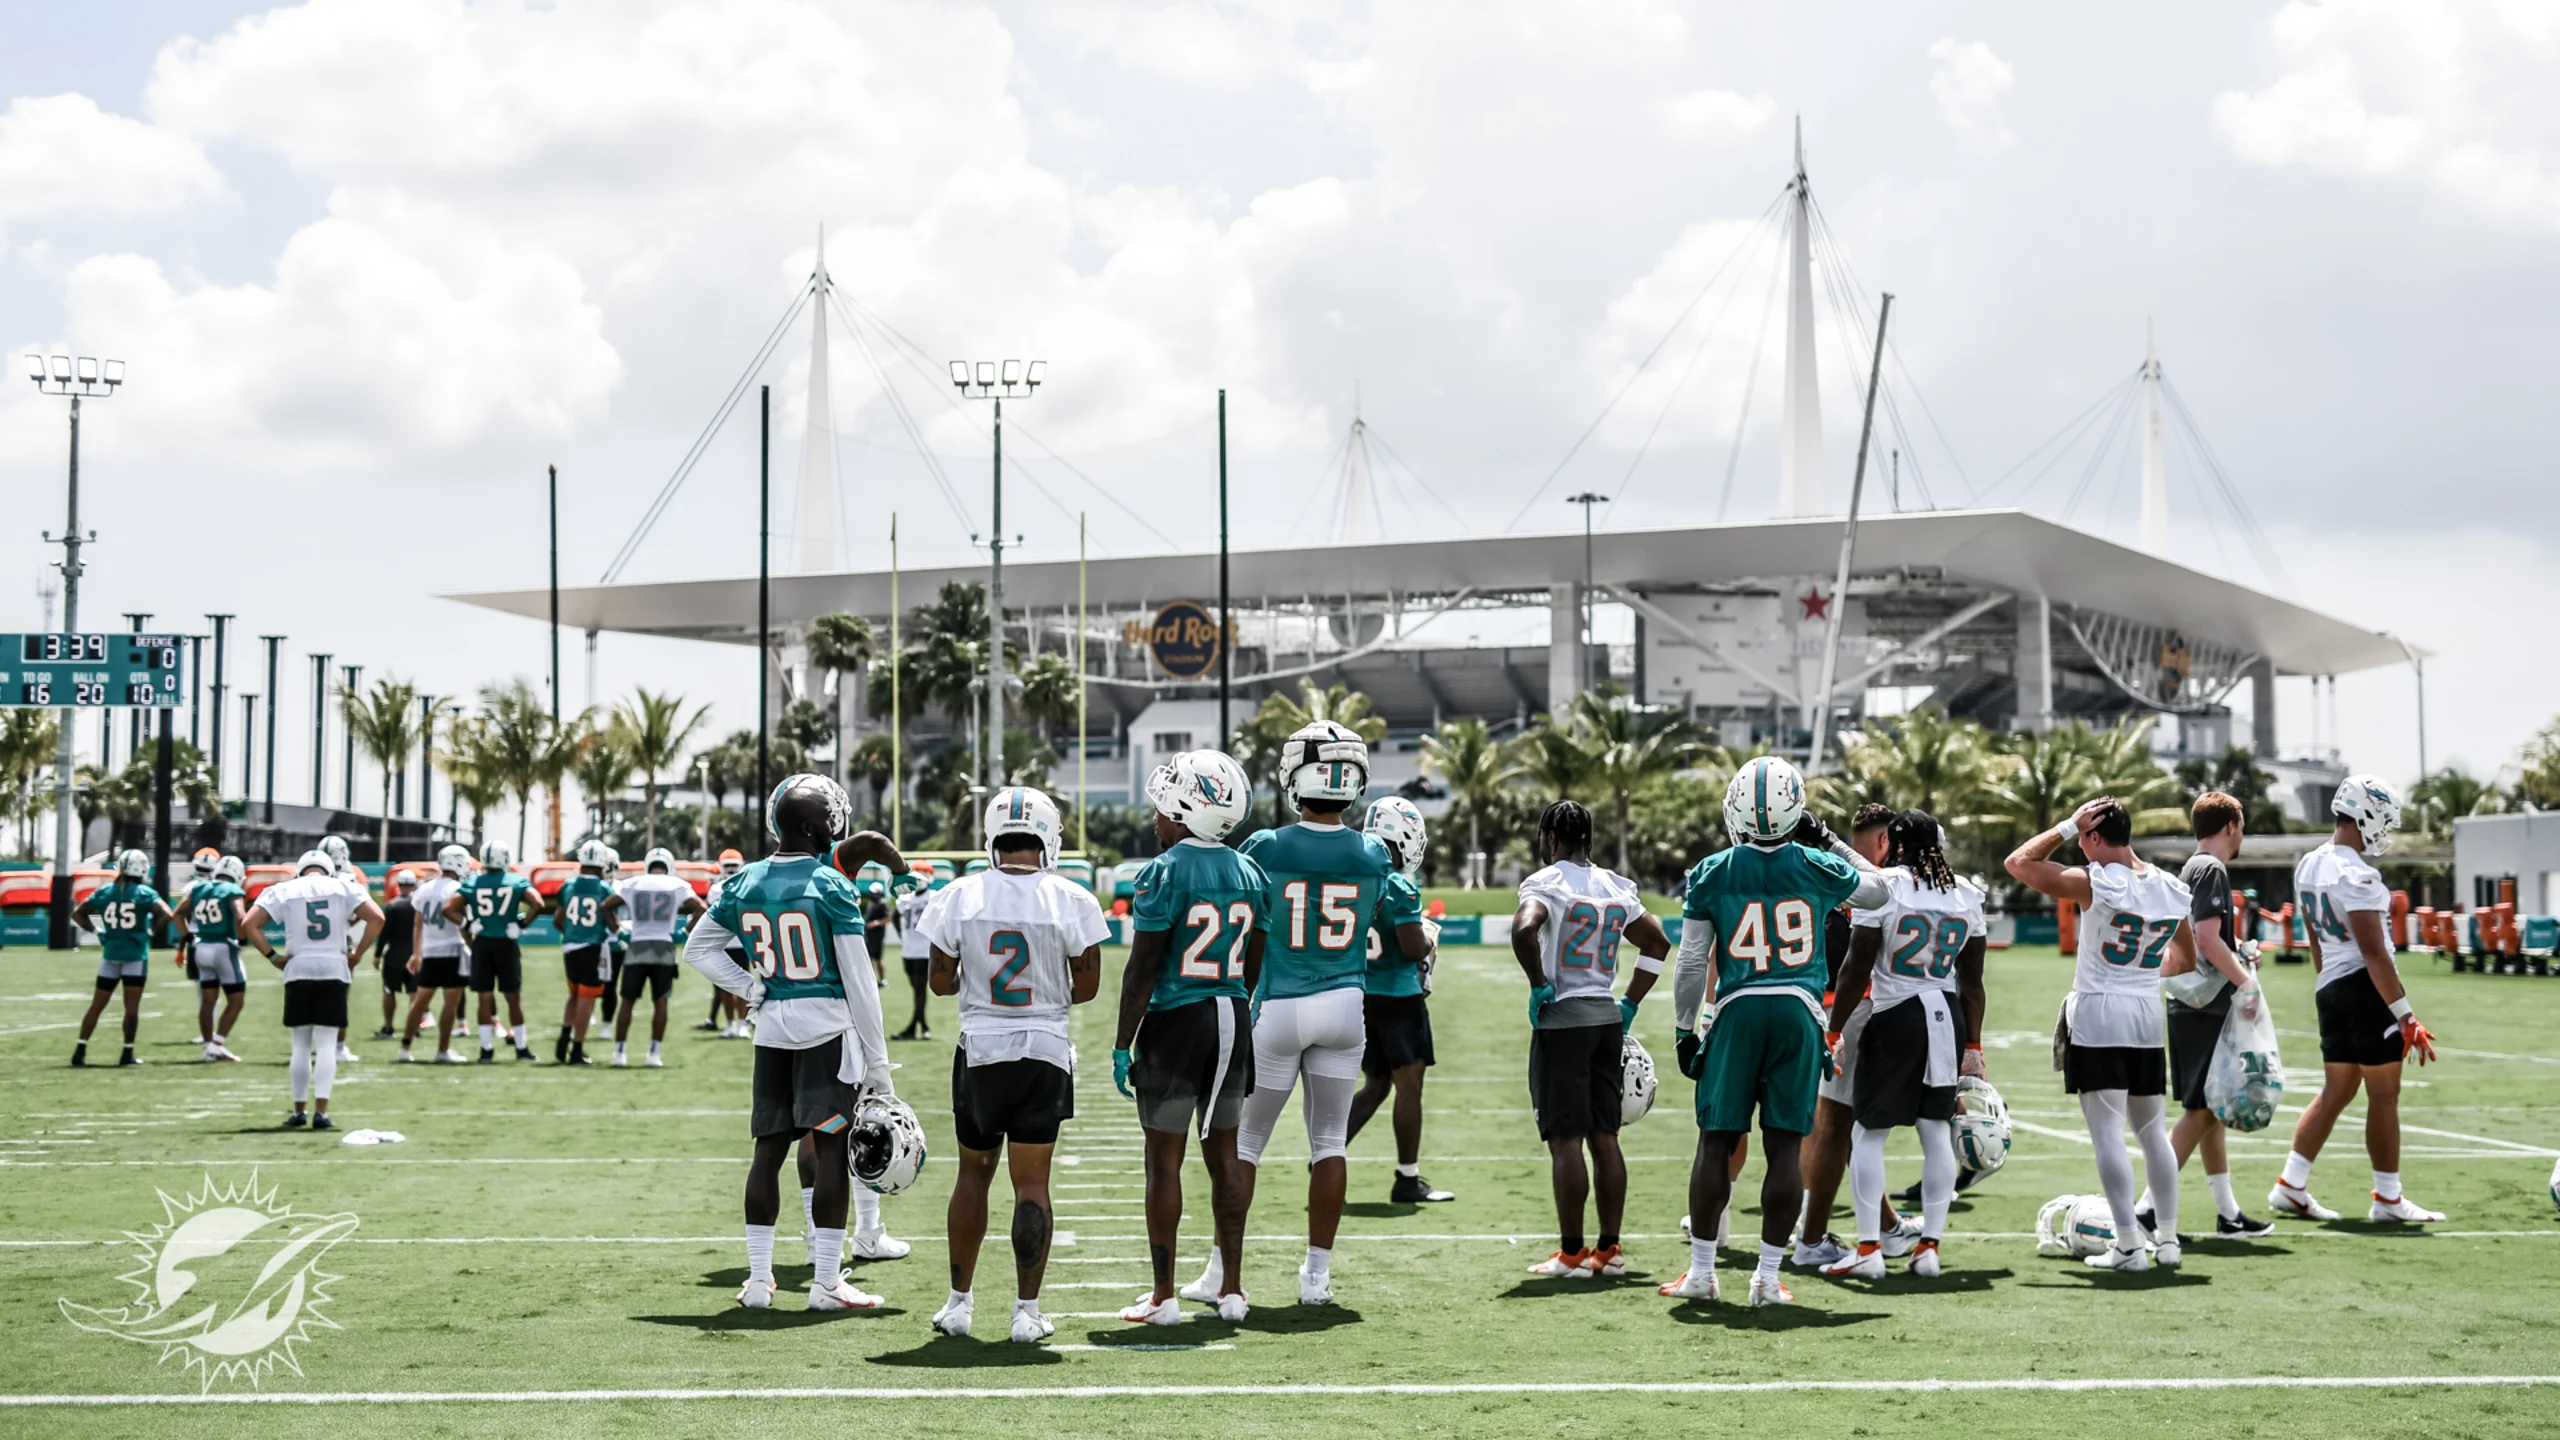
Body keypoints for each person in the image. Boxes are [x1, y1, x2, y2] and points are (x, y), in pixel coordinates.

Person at [1208, 720, 1429, 1308]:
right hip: (1345, 1004)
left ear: (1293, 777)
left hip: (1277, 1004)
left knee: (1247, 1145)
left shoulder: (1266, 847)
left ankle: (1220, 1272)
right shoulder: (1373, 853)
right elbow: (1392, 913)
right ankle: (1316, 1278)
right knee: (1330, 1141)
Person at [1660, 757, 1888, 1307]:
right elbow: (1879, 890)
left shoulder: (1712, 870)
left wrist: (1685, 1030)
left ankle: (1701, 1273)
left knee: (1716, 1143)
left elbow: (1692, 962)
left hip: (1737, 1011)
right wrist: (1831, 841)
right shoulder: (1814, 863)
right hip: (1799, 1013)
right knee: (1784, 1148)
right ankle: (1765, 1277)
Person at [682, 774, 905, 1313]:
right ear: (810, 826)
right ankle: (827, 1282)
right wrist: (879, 1064)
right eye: (828, 816)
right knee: (830, 1155)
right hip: (827, 1033)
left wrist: (749, 986)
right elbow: (859, 982)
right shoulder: (830, 885)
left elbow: (699, 948)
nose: (836, 823)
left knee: (767, 1153)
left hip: (773, 1031)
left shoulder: (745, 881)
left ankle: (759, 1282)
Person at [919, 786, 1107, 1344]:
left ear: (991, 835)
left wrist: (983, 987)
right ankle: (1027, 1312)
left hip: (980, 1048)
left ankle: (958, 1304)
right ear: (1049, 839)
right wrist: (1042, 998)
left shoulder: (958, 894)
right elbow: (1089, 985)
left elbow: (938, 982)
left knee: (972, 1175)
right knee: (1032, 1186)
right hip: (1044, 1050)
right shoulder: (1072, 897)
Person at [2005, 796, 2196, 1272]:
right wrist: (2144, 971)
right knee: (2153, 1133)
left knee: (2109, 1133)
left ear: (2094, 837)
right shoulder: (2170, 886)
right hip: (2146, 1011)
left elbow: (2019, 863)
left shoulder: (2098, 879)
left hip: (2100, 1010)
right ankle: (2167, 1242)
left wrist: (2067, 826)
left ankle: (2129, 1244)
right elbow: (2186, 960)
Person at [1112, 751, 1264, 1326]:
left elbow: (1143, 967)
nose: (1156, 816)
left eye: (1163, 806)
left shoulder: (1163, 872)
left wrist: (1123, 1043)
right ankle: (1232, 1292)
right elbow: (1254, 960)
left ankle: (1165, 1296)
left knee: (1164, 1161)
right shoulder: (1251, 872)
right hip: (1231, 1014)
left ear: (1186, 809)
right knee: (1225, 1156)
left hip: (1177, 1019)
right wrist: (1234, 1003)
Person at [1819, 810, 1986, 1280]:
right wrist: (1973, 1042)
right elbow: (1973, 983)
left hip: (1896, 1015)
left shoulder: (1886, 886)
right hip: (1947, 1013)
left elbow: (1856, 966)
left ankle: (1870, 1248)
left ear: (1893, 841)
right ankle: (1928, 1247)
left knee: (1868, 1133)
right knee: (1934, 1131)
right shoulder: (1966, 893)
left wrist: (1834, 1029)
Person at [2272, 776, 2443, 1224]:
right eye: (2382, 819)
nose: (2382, 830)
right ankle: (2388, 1198)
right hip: (2363, 988)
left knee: (2338, 1088)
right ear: (2364, 815)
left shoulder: (2308, 864)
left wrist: (2330, 988)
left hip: (2330, 984)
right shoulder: (2357, 874)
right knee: (2384, 1094)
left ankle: (2291, 1184)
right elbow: (2375, 954)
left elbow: (2315, 939)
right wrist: (2406, 1016)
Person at [1513, 799, 1671, 1278]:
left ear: (1551, 839)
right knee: (1606, 1137)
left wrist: (1539, 982)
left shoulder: (1547, 883)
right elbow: (1658, 942)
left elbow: (1524, 928)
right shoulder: (1613, 885)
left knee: (1565, 1141)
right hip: (1607, 1020)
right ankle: (1610, 1249)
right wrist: (1631, 1002)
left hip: (1563, 1022)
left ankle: (1572, 1253)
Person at [2138, 791, 2276, 1241]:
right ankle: (2146, 1208)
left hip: (2190, 999)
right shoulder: (2211, 868)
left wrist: (2239, 959)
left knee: (2211, 1109)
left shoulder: (2194, 867)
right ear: (2232, 825)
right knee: (2200, 1110)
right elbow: (2207, 938)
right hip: (2203, 1003)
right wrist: (2246, 981)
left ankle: (2227, 1214)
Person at [1795, 803, 1913, 1267]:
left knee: (1827, 1126)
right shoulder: (1884, 881)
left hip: (1808, 1000)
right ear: (1886, 842)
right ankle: (1813, 1235)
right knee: (1839, 1127)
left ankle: (1882, 1225)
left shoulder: (1824, 869)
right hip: (1859, 1006)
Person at [1349, 795, 1456, 1206]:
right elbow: (1412, 949)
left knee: (1375, 1085)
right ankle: (1407, 1179)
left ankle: (1328, 1152)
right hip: (1398, 996)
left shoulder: (1356, 876)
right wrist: (1428, 936)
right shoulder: (1399, 882)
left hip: (1361, 994)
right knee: (1408, 1088)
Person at [241, 848, 385, 1130]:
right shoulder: (344, 886)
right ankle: (321, 1111)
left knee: (300, 1046)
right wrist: (357, 955)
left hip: (299, 968)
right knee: (327, 1045)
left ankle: (298, 1110)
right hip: (333, 968)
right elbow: (377, 918)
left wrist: (273, 957)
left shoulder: (284, 889)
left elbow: (249, 924)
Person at [71, 849, 175, 1067]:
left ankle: (80, 1049)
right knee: (131, 1008)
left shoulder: (105, 891)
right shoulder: (144, 893)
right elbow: (167, 914)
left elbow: (77, 914)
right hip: (134, 956)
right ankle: (127, 1052)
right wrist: (151, 933)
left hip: (110, 954)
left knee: (96, 1006)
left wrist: (98, 931)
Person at [446, 841, 545, 1062]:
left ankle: (486, 1050)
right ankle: (521, 1048)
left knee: (484, 997)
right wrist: (521, 923)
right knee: (513, 997)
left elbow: (448, 908)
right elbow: (537, 903)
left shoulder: (473, 882)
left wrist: (468, 924)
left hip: (482, 944)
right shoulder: (515, 880)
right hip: (506, 943)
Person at [614, 847, 700, 1069]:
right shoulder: (677, 884)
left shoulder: (634, 883)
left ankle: (619, 1053)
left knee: (627, 1001)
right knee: (660, 1001)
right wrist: (684, 932)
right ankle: (654, 1053)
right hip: (664, 946)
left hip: (637, 944)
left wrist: (619, 932)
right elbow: (702, 908)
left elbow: (606, 906)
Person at [553, 840, 622, 1066]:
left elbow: (558, 920)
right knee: (586, 997)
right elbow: (610, 921)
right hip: (591, 946)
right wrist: (619, 931)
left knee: (574, 994)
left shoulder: (568, 885)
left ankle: (565, 1034)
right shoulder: (603, 889)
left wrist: (573, 933)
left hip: (569, 947)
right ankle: (577, 1048)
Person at [402, 845, 473, 1063]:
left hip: (430, 951)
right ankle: (443, 1050)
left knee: (421, 1001)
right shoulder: (458, 889)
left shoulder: (424, 888)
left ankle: (404, 1048)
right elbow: (464, 922)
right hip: (453, 948)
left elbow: (417, 924)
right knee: (450, 1003)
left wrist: (416, 952)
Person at [178, 853, 249, 1062]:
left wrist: (188, 937)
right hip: (223, 948)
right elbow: (240, 916)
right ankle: (218, 1043)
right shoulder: (233, 890)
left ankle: (208, 1046)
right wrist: (242, 939)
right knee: (236, 1000)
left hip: (201, 948)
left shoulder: (199, 888)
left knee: (208, 1001)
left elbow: (177, 914)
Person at [319, 834, 368, 1065]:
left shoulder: (310, 878)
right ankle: (337, 1046)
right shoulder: (350, 879)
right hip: (340, 942)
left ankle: (318, 1043)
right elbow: (365, 912)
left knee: (313, 995)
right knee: (340, 997)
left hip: (312, 944)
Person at [373, 871, 418, 1041]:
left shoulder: (392, 906)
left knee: (389, 991)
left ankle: (388, 1027)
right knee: (414, 993)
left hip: (394, 956)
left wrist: (377, 955)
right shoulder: (419, 905)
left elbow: (385, 933)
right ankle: (414, 1027)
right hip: (414, 954)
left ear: (398, 885)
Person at [892, 872, 937, 1040]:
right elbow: (895, 916)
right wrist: (901, 935)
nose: (918, 882)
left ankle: (913, 1027)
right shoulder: (905, 898)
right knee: (917, 990)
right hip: (909, 950)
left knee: (920, 990)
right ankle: (923, 1025)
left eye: (922, 878)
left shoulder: (934, 897)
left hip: (924, 950)